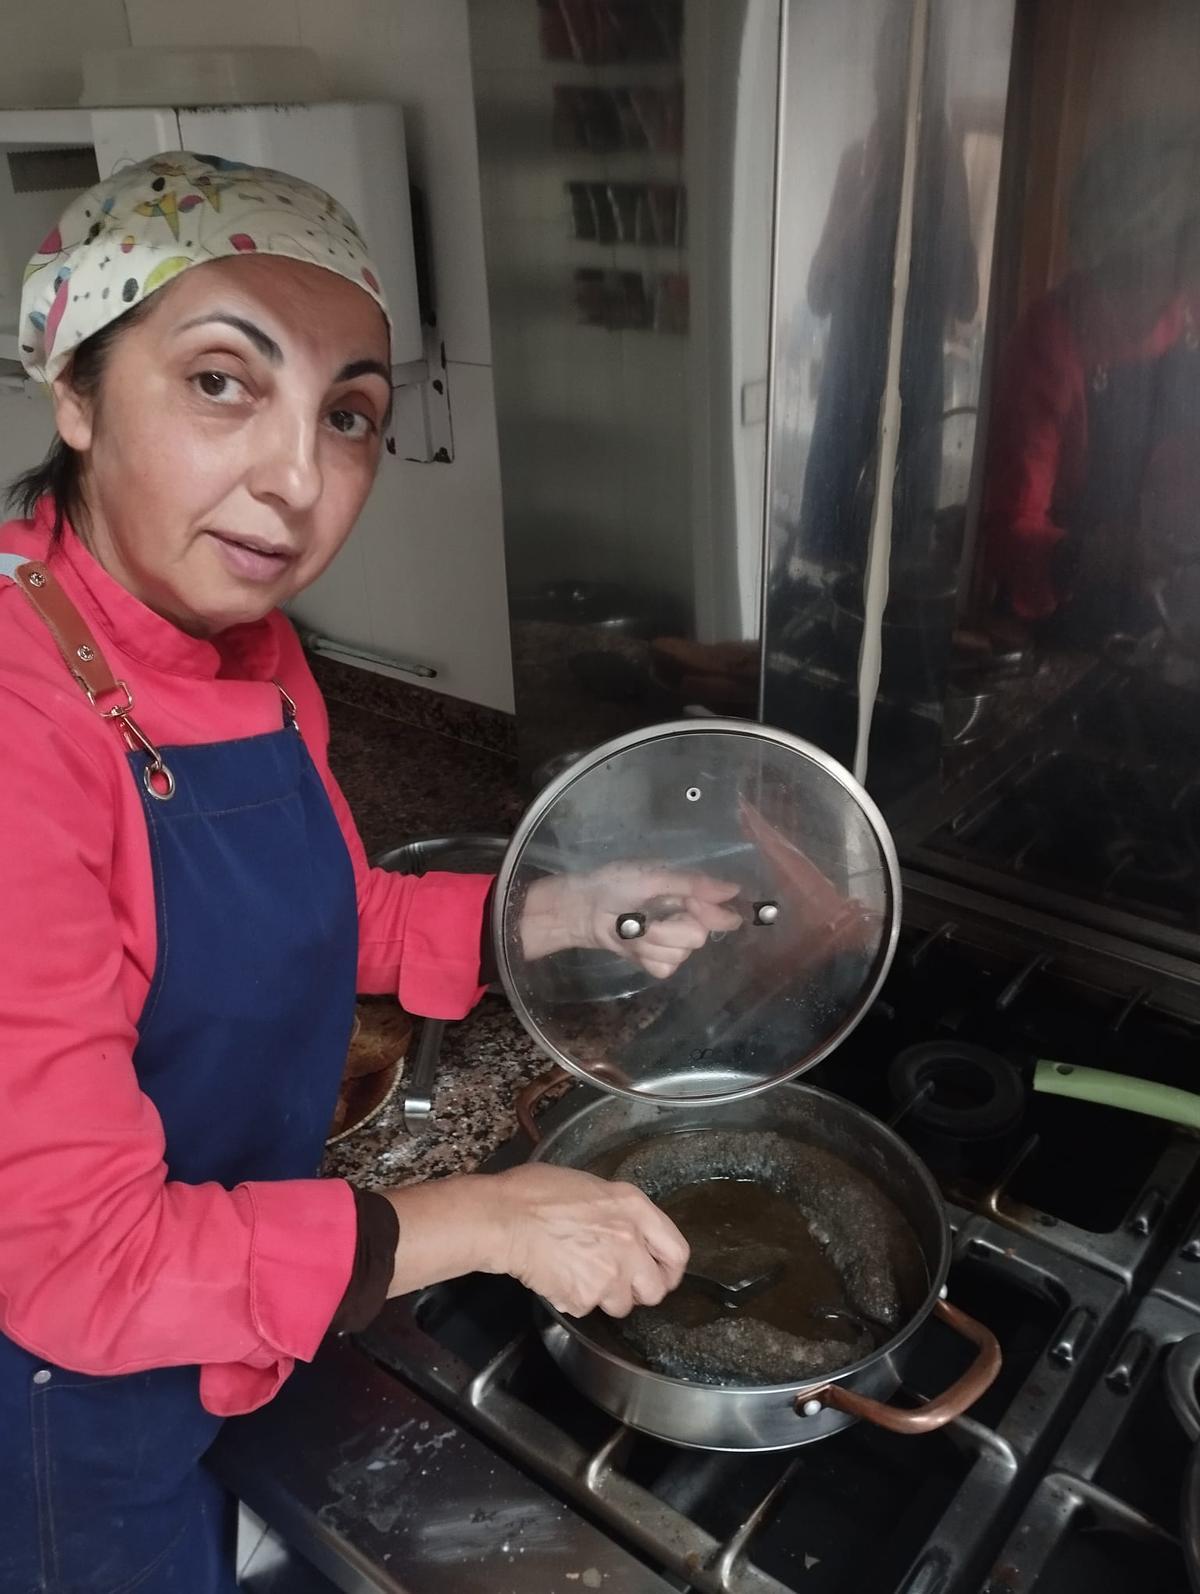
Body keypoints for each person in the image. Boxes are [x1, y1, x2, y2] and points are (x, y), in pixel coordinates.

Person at [0, 154, 743, 1594]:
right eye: (224, 377)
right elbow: (78, 1264)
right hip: (64, 1384)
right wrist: (493, 1215)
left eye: (349, 414)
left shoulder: (253, 654)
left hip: (241, 1270)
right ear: (74, 391)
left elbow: (316, 913)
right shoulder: (19, 732)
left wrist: (562, 914)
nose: (298, 480)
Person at [980, 118, 1200, 639]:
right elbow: (1006, 533)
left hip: (1156, 621)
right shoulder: (1051, 341)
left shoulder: (1188, 314)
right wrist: (1091, 555)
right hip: (1060, 631)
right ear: (1137, 237)